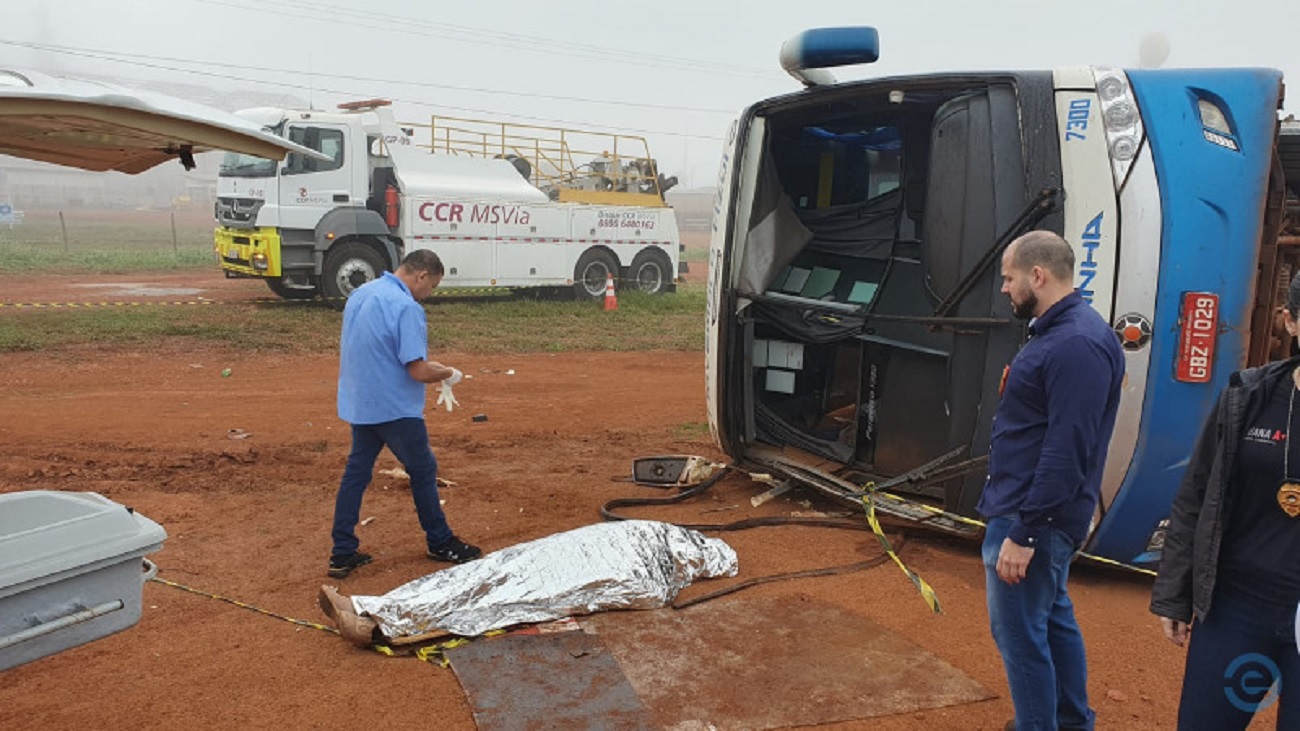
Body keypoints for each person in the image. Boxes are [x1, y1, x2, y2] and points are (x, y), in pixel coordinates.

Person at [978, 230, 1125, 731]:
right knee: (1053, 618)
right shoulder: (1061, 335)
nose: (1005, 288)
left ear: (1037, 276)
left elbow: (1067, 450)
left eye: (1009, 277)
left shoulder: (1075, 345)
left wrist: (1025, 533)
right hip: (1034, 511)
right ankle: (1069, 721)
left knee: (1019, 633)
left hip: (1032, 517)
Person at [1150, 275, 1300, 729]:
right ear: (1291, 322)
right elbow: (1197, 495)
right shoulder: (1249, 397)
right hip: (1237, 609)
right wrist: (1175, 593)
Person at [327, 249, 480, 579]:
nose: (430, 294)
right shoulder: (407, 308)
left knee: (356, 472)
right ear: (422, 275)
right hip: (395, 407)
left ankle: (342, 552)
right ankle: (440, 541)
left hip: (361, 401)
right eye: (432, 286)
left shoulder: (361, 294)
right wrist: (449, 373)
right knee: (423, 468)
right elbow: (419, 371)